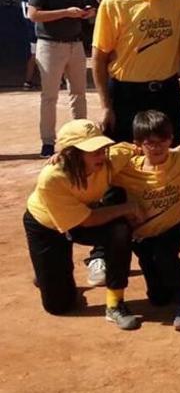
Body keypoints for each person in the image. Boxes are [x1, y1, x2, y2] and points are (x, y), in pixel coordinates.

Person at [23, 119, 139, 329]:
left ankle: (114, 305)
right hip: (46, 226)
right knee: (59, 306)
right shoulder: (52, 178)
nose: (102, 155)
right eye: (93, 151)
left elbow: (139, 149)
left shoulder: (110, 159)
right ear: (71, 154)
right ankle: (49, 275)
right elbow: (88, 221)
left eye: (102, 148)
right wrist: (127, 208)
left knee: (119, 231)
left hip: (84, 213)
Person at [92, 0, 180, 146]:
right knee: (125, 162)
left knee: (168, 160)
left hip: (167, 93)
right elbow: (99, 59)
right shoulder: (114, 3)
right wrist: (105, 106)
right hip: (126, 96)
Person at [111, 110, 180, 331]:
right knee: (158, 298)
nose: (158, 148)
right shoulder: (127, 170)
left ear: (172, 139)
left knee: (164, 256)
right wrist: (62, 157)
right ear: (138, 144)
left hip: (172, 229)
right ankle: (178, 273)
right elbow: (96, 165)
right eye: (150, 143)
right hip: (141, 237)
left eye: (163, 141)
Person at [27, 0, 92, 158]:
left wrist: (85, 12)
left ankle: (80, 136)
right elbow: (33, 14)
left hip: (75, 43)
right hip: (50, 45)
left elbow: (77, 8)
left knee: (79, 93)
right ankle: (47, 142)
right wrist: (65, 12)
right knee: (49, 96)